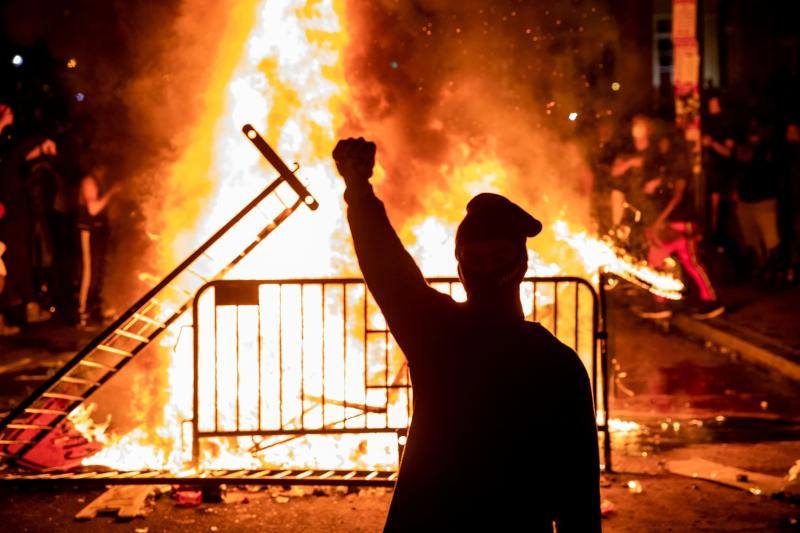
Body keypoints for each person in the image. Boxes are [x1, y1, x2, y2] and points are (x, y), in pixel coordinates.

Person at [333, 137, 601, 532]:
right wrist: (358, 191)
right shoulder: (440, 332)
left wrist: (358, 189)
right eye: (474, 259)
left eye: (498, 259)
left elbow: (578, 493)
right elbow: (387, 267)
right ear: (460, 264)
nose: (486, 270)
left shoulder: (553, 363)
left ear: (520, 264)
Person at [642, 127, 724, 319]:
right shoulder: (667, 168)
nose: (660, 146)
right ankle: (661, 303)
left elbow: (677, 197)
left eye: (663, 142)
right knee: (656, 259)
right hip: (672, 223)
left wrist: (658, 222)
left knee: (691, 262)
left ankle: (711, 301)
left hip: (683, 222)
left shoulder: (680, 168)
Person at [733, 118, 781, 279]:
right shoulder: (743, 149)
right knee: (751, 240)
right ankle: (759, 269)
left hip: (764, 201)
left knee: (771, 239)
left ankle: (775, 272)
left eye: (756, 131)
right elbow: (738, 166)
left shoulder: (768, 150)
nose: (753, 135)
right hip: (746, 201)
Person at [77, 164, 118, 327]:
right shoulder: (89, 181)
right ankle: (83, 313)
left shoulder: (100, 182)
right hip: (87, 232)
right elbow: (93, 209)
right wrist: (112, 193)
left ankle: (94, 308)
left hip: (98, 232)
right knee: (89, 272)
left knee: (98, 270)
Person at [702, 95, 736, 241]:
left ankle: (717, 237)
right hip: (707, 170)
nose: (711, 105)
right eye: (709, 103)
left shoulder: (727, 124)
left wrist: (713, 144)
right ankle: (709, 236)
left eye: (714, 103)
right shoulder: (706, 122)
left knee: (718, 207)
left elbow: (728, 152)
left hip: (721, 171)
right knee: (707, 206)